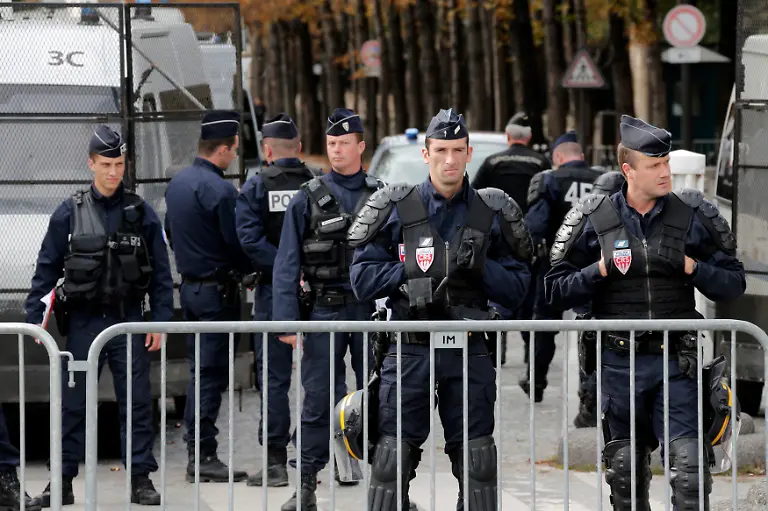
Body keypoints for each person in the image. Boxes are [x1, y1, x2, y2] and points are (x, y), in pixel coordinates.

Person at [545, 115, 746, 510]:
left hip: (677, 362)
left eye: (666, 163)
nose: (664, 172)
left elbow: (735, 283)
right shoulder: (595, 217)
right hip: (619, 364)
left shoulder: (691, 214)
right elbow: (553, 289)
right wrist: (598, 270)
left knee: (690, 474)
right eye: (653, 165)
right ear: (627, 170)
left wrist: (693, 268)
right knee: (625, 477)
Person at [348, 108, 533, 510]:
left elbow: (519, 289)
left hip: (470, 349)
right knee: (391, 462)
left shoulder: (491, 212)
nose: (449, 160)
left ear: (469, 155)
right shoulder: (398, 206)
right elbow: (361, 280)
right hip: (409, 349)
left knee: (477, 463)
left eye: (457, 150)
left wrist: (481, 265)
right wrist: (409, 271)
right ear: (426, 155)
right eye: (441, 150)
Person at [25, 126, 170, 506]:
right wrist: (34, 326)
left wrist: (161, 321)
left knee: (137, 402)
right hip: (85, 323)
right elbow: (45, 271)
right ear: (91, 163)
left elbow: (161, 273)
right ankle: (63, 481)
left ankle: (140, 478)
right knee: (72, 406)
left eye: (119, 164)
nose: (113, 172)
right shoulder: (68, 212)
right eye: (106, 164)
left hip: (127, 321)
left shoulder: (140, 213)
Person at [272, 108, 381, 511]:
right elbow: (286, 262)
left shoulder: (381, 194)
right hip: (325, 311)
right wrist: (286, 319)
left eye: (344, 143)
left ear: (360, 146)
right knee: (318, 400)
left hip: (370, 313)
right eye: (331, 144)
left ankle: (391, 486)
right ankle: (305, 488)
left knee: (382, 397)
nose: (337, 150)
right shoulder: (307, 197)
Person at [164, 111, 251, 484]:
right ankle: (203, 455)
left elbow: (171, 232)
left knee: (201, 372)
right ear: (223, 149)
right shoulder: (220, 191)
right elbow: (237, 243)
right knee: (211, 376)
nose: (233, 156)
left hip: (191, 289)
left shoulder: (178, 184)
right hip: (218, 293)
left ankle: (197, 451)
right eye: (232, 150)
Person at [235, 113, 316, 487]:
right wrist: (302, 268)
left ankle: (275, 462)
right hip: (316, 292)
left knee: (274, 380)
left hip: (271, 293)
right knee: (322, 377)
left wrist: (283, 265)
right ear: (298, 148)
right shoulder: (317, 184)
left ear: (267, 151)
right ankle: (318, 452)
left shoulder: (255, 187)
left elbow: (249, 240)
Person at [520, 130, 603, 403]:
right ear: (580, 155)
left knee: (544, 324)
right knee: (591, 327)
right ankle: (589, 392)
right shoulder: (600, 180)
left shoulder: (548, 180)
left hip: (554, 266)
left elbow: (535, 227)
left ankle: (537, 379)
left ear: (557, 157)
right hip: (594, 266)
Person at [470, 112, 550, 366]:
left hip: (499, 240)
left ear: (507, 136)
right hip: (530, 240)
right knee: (530, 299)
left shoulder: (493, 162)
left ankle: (497, 346)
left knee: (499, 298)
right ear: (529, 138)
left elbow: (475, 197)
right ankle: (530, 353)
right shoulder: (541, 162)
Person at [573, 170, 626, 428]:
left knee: (592, 362)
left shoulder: (587, 223)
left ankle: (590, 405)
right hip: (606, 309)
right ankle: (591, 405)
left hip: (597, 309)